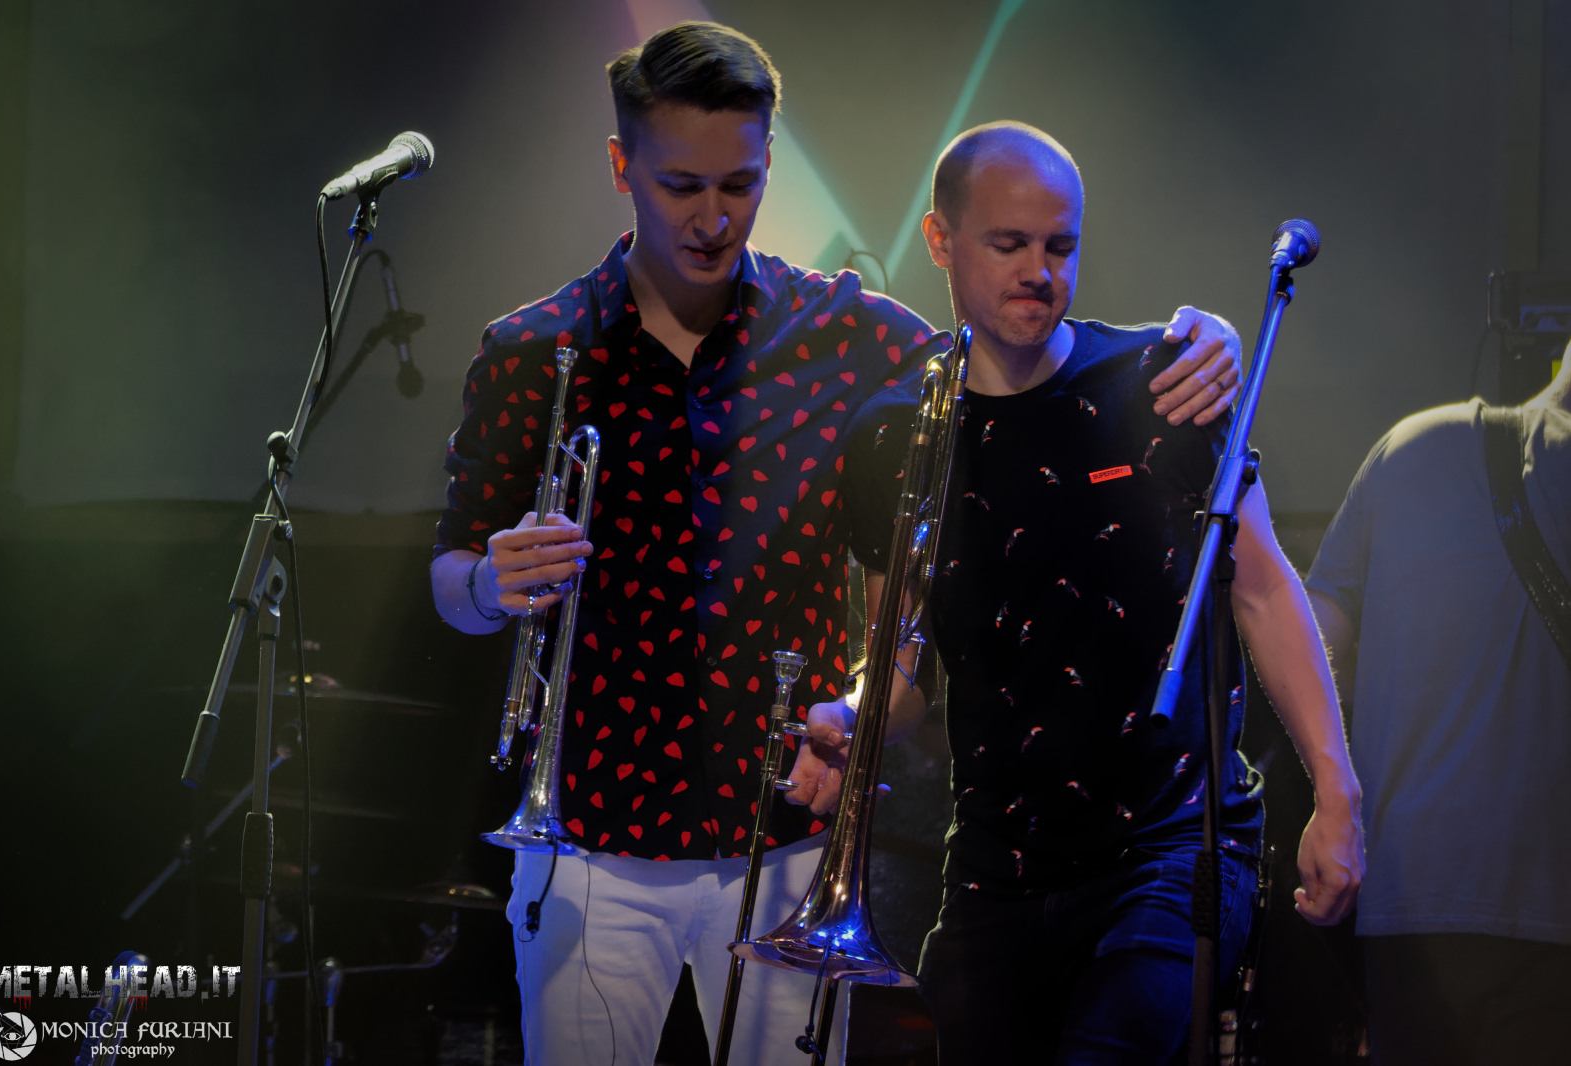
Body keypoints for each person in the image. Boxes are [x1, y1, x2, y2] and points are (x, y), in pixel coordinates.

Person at [430, 25, 1244, 1065]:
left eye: (741, 184)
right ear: (621, 166)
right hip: (592, 842)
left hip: (788, 843)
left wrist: (1197, 343)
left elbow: (1019, 344)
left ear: (770, 163)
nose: (714, 218)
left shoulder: (859, 337)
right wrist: (489, 586)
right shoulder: (532, 350)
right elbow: (450, 575)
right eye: (681, 186)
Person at [793, 122, 1364, 1064]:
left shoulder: (1160, 383)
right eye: (1008, 244)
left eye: (1059, 246)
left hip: (1168, 845)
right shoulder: (893, 436)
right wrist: (850, 719)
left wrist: (1336, 793)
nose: (1039, 271)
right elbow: (902, 668)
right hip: (993, 871)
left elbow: (1264, 588)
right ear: (940, 241)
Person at [1305, 351, 1571, 1065]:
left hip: (1408, 897)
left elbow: (1311, 636)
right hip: (1553, 909)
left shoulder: (1415, 443)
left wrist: (1330, 798)